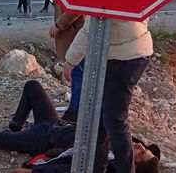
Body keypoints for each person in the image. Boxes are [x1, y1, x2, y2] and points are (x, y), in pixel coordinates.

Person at [0, 80, 160, 173]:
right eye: (143, 146)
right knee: (33, 86)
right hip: (56, 122)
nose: (139, 145)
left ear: (131, 164)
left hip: (45, 138)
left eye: (140, 152)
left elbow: (68, 168)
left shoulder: (104, 163)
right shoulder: (122, 141)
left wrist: (34, 171)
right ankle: (16, 126)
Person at [61, 18, 153, 172]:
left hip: (121, 57)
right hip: (135, 52)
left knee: (114, 120)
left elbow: (92, 25)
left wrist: (70, 60)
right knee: (102, 117)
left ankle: (124, 169)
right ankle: (97, 168)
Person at [48, 2, 85, 122]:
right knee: (76, 75)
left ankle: (74, 113)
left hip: (76, 34)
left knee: (78, 74)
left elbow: (78, 7)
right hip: (73, 34)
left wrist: (59, 24)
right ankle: (74, 112)